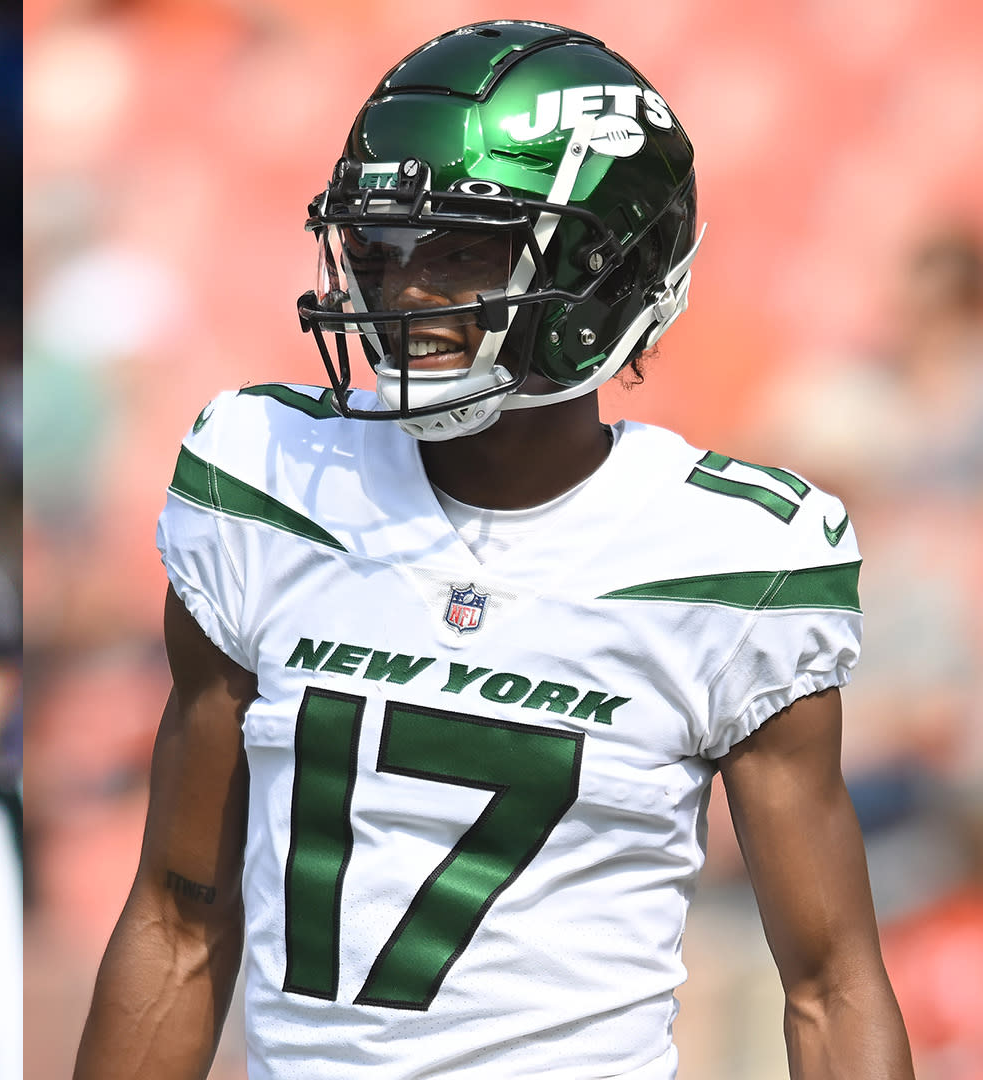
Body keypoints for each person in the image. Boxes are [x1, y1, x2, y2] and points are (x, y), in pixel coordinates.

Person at [75, 19, 910, 1080]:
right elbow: (179, 920)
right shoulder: (268, 483)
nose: (404, 296)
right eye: (381, 250)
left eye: (464, 251)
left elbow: (831, 987)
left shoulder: (728, 558)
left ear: (604, 269)